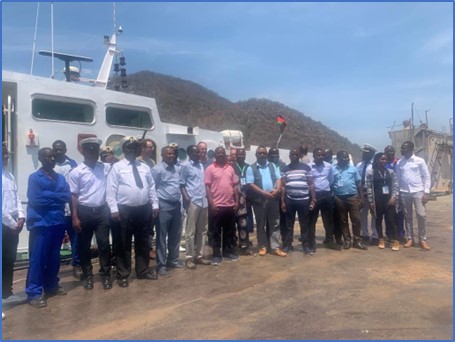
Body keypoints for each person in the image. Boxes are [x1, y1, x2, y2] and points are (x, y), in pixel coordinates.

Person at [107, 136, 160, 287]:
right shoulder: (117, 167)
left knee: (143, 241)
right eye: (129, 148)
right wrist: (114, 209)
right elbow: (111, 190)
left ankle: (142, 271)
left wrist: (155, 204)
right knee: (123, 242)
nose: (132, 151)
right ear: (124, 150)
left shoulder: (144, 167)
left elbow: (151, 187)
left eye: (134, 148)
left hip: (143, 209)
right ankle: (122, 274)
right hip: (124, 210)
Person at [25, 147, 71, 308]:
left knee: (54, 258)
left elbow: (66, 196)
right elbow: (36, 200)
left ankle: (51, 285)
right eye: (48, 157)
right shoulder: (34, 178)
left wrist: (49, 195)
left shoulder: (60, 178)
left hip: (57, 222)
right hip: (40, 223)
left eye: (53, 157)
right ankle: (34, 293)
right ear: (40, 159)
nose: (52, 159)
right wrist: (56, 198)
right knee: (38, 259)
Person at [68, 138, 113, 290]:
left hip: (101, 212)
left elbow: (118, 163)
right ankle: (88, 276)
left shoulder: (104, 167)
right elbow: (73, 196)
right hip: (84, 212)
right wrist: (74, 216)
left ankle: (105, 274)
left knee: (104, 244)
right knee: (84, 246)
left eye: (96, 150)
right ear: (84, 151)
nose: (93, 153)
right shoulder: (76, 172)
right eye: (90, 150)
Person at [246, 146, 287, 257]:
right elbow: (250, 184)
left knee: (275, 223)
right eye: (260, 153)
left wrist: (277, 189)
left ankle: (275, 247)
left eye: (264, 153)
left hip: (273, 199)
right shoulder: (251, 168)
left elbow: (278, 179)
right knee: (260, 224)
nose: (262, 155)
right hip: (260, 201)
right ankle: (262, 246)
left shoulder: (272, 166)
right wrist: (264, 193)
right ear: (256, 155)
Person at [152, 146, 183, 277]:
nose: (172, 156)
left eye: (173, 154)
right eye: (169, 154)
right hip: (163, 205)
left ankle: (173, 260)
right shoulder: (157, 170)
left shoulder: (177, 169)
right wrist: (155, 206)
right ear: (162, 155)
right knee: (161, 237)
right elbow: (152, 188)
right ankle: (161, 265)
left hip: (176, 205)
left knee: (175, 235)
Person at [205, 147, 240, 265]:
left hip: (230, 205)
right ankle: (216, 254)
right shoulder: (210, 169)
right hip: (216, 205)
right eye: (218, 153)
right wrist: (212, 203)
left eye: (222, 153)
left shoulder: (230, 168)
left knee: (229, 230)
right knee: (215, 231)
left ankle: (227, 251)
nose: (220, 155)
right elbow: (207, 188)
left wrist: (236, 201)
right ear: (215, 155)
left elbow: (235, 185)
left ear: (225, 155)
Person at [52, 140, 81, 279]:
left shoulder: (73, 164)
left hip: (71, 209)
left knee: (75, 239)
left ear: (65, 149)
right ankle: (53, 270)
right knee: (56, 241)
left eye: (60, 149)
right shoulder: (50, 165)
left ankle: (77, 265)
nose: (58, 152)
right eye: (56, 149)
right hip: (57, 209)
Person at [2, 143, 27, 305]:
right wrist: (12, 224)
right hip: (5, 224)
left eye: (6, 154)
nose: (5, 157)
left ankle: (6, 293)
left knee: (9, 259)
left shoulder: (8, 175)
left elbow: (17, 198)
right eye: (2, 154)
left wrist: (21, 216)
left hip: (12, 224)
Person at [180, 145, 211, 269]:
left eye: (198, 152)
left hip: (203, 201)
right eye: (194, 152)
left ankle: (199, 255)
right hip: (193, 201)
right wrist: (187, 197)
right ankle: (189, 257)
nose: (198, 154)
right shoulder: (185, 166)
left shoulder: (201, 166)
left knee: (203, 230)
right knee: (190, 231)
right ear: (189, 153)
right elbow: (181, 184)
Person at [396, 141, 431, 250]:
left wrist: (426, 192)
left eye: (404, 148)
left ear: (411, 149)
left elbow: (427, 176)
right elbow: (397, 179)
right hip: (404, 192)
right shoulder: (399, 163)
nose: (401, 150)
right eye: (401, 148)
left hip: (418, 191)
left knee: (421, 215)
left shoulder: (419, 161)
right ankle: (410, 238)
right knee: (408, 216)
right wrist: (398, 193)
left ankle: (422, 240)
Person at [281, 147, 316, 254]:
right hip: (290, 200)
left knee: (304, 223)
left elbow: (311, 184)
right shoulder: (285, 169)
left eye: (296, 155)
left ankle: (305, 245)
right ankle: (288, 245)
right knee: (288, 224)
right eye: (292, 155)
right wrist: (282, 201)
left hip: (304, 200)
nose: (294, 156)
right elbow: (283, 186)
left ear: (300, 156)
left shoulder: (306, 168)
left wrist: (313, 199)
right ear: (289, 156)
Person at [332, 151, 368, 250]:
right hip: (339, 198)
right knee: (343, 221)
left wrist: (361, 198)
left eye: (348, 157)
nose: (347, 159)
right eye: (344, 158)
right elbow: (330, 183)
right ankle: (347, 241)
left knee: (356, 220)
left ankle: (357, 241)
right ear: (338, 159)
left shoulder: (352, 168)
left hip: (353, 197)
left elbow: (359, 183)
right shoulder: (333, 169)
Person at [307, 148, 341, 251]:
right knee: (312, 220)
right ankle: (311, 243)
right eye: (318, 155)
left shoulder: (328, 166)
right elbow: (308, 181)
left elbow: (331, 179)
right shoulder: (308, 167)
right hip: (314, 196)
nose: (321, 157)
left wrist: (326, 189)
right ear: (314, 156)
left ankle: (330, 241)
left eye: (322, 155)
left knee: (328, 220)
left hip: (326, 195)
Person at [366, 153, 400, 251]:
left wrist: (394, 197)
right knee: (378, 220)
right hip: (377, 200)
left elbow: (395, 185)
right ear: (377, 160)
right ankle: (381, 239)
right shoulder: (370, 173)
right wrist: (371, 201)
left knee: (391, 220)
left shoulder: (390, 172)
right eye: (382, 159)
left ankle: (396, 240)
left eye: (385, 160)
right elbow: (369, 187)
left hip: (389, 200)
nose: (384, 161)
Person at [231, 148, 255, 255]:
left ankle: (244, 245)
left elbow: (251, 184)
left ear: (245, 155)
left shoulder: (249, 167)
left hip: (246, 201)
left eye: (243, 154)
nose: (241, 156)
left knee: (243, 224)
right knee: (231, 224)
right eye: (239, 154)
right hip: (233, 200)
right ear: (236, 155)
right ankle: (231, 245)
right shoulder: (231, 167)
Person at [138, 138, 157, 260]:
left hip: (150, 199)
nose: (152, 149)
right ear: (143, 148)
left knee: (150, 226)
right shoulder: (137, 161)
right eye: (149, 147)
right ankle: (141, 250)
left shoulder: (152, 162)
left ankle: (148, 248)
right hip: (140, 199)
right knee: (141, 227)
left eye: (152, 147)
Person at [356, 143, 378, 245]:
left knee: (374, 214)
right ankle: (364, 234)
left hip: (372, 193)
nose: (364, 155)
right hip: (362, 193)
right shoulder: (359, 165)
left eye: (366, 153)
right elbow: (357, 180)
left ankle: (375, 235)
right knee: (362, 215)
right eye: (363, 153)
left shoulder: (375, 165)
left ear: (372, 154)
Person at [384, 145, 405, 242]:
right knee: (388, 215)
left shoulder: (400, 163)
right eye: (388, 151)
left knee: (400, 214)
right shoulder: (383, 164)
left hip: (400, 193)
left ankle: (400, 234)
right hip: (387, 194)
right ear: (385, 153)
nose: (390, 153)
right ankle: (390, 234)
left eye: (392, 151)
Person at [268, 147, 288, 247]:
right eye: (272, 154)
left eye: (276, 154)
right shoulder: (266, 165)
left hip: (281, 197)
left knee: (283, 220)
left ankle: (285, 241)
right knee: (270, 221)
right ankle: (269, 242)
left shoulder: (283, 165)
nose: (274, 156)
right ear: (269, 155)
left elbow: (285, 181)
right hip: (270, 196)